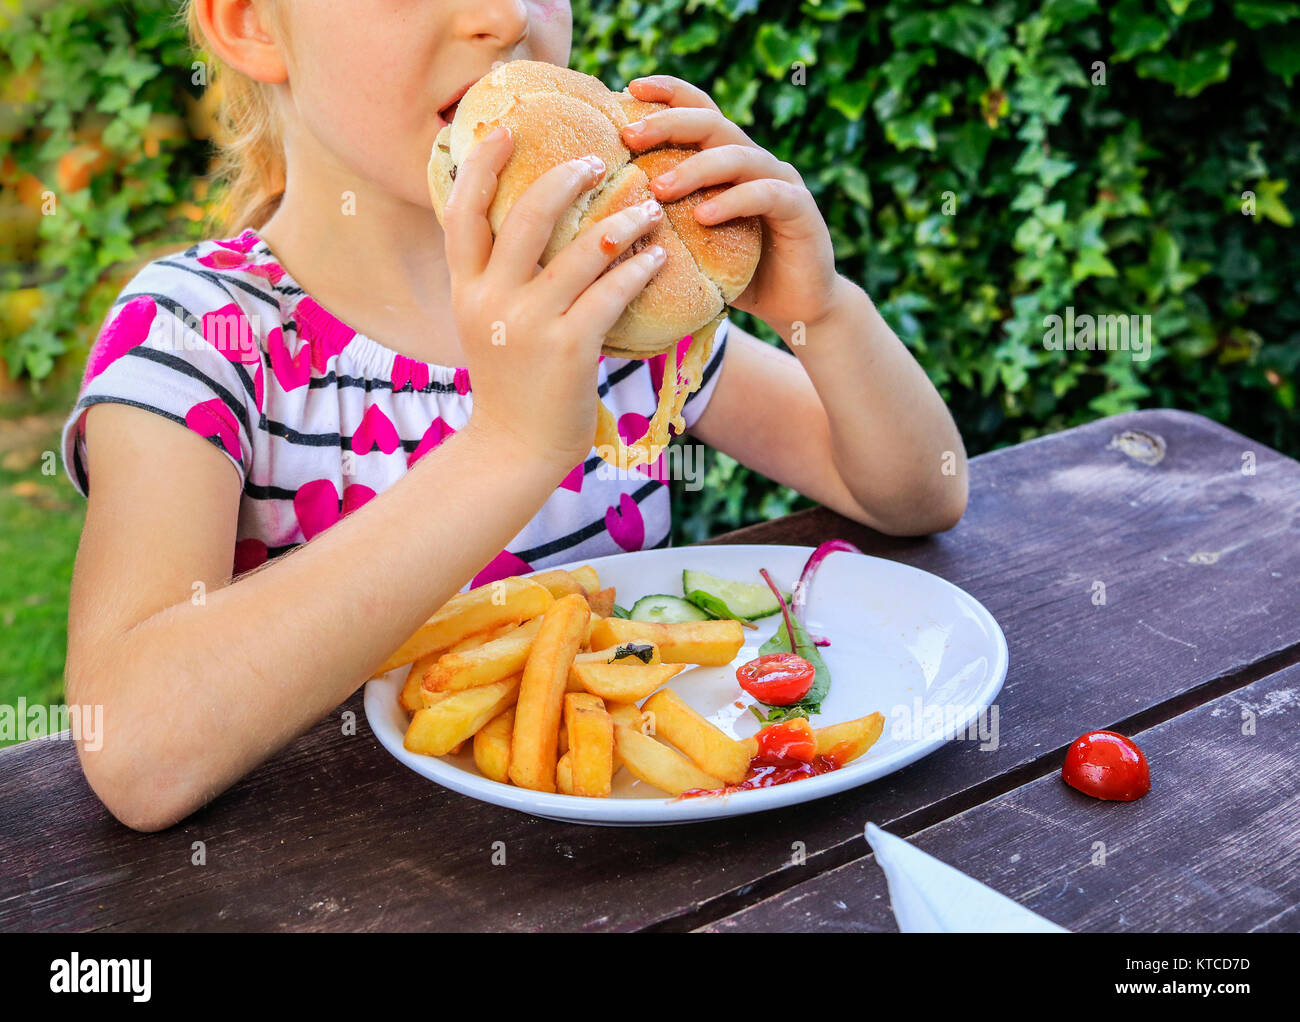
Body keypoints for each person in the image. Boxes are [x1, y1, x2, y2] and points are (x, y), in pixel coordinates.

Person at [60, 0, 968, 831]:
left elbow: (913, 495)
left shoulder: (612, 302)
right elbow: (140, 751)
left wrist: (823, 311)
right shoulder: (196, 332)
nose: (504, 15)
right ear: (251, 23)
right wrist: (511, 446)